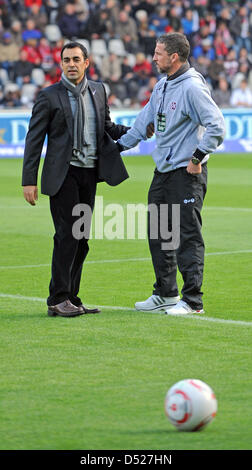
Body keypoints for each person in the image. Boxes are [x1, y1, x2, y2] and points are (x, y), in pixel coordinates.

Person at [117, 33, 225, 315]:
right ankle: (165, 293)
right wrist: (116, 147)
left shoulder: (192, 87)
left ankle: (193, 301)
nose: (154, 57)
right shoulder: (162, 85)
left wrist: (198, 156)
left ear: (174, 57)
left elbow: (217, 126)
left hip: (186, 174)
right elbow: (143, 123)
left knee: (187, 236)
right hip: (163, 172)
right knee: (159, 234)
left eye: (158, 53)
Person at [22, 41, 130, 318]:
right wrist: (29, 180)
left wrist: (139, 130)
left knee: (82, 239)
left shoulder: (98, 90)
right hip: (63, 175)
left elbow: (108, 128)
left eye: (76, 59)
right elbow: (34, 140)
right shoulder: (49, 96)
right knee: (67, 236)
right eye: (66, 59)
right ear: (61, 64)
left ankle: (71, 296)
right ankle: (57, 299)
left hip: (89, 174)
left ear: (86, 62)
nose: (71, 64)